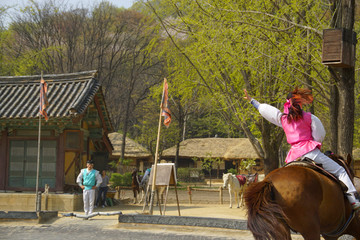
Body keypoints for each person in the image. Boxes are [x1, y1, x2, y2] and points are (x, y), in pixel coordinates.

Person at [243, 88, 360, 210]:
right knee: (340, 171)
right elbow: (320, 135)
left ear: (287, 102)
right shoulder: (310, 118)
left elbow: (269, 112)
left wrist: (252, 101)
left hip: (293, 157)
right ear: (301, 103)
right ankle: (354, 199)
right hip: (311, 152)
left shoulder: (283, 119)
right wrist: (314, 142)